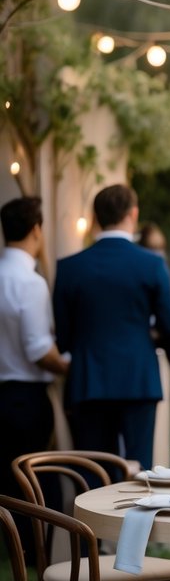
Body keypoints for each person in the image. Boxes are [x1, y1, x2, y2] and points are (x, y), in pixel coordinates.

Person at [53, 183, 170, 473]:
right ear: (133, 214)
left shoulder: (70, 267)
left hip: (88, 379)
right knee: (141, 472)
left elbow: (63, 338)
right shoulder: (151, 264)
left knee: (93, 473)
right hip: (138, 378)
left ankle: (92, 521)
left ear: (96, 217)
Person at [0, 196, 68, 558]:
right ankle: (36, 554)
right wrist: (71, 366)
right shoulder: (29, 281)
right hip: (26, 397)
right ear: (37, 229)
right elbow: (40, 350)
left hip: (3, 393)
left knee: (6, 481)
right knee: (36, 478)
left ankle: (13, 552)